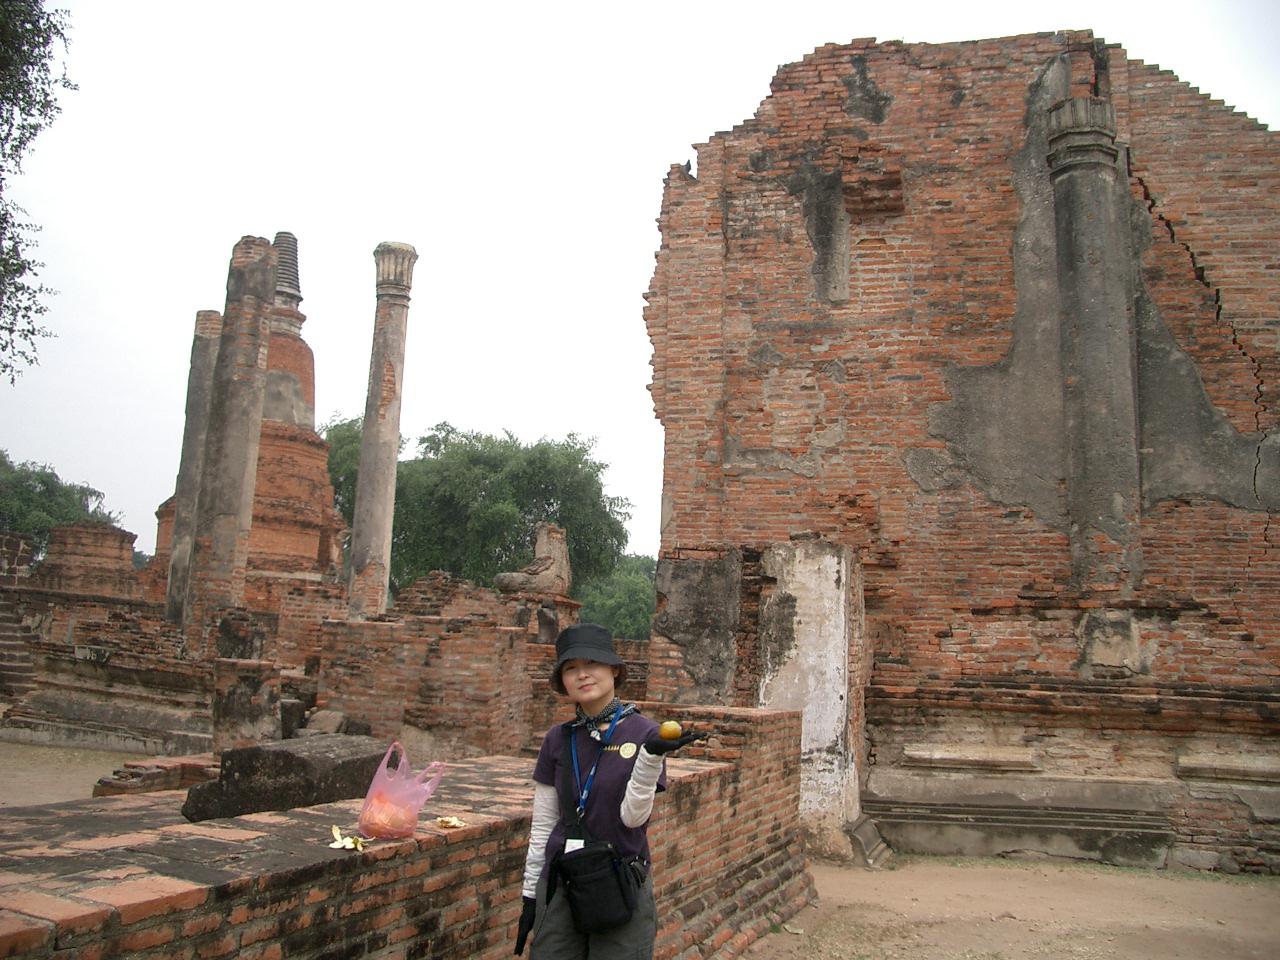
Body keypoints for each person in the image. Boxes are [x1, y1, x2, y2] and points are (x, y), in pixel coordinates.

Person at [515, 623, 705, 959]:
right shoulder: (558, 738)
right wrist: (530, 894)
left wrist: (650, 758)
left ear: (615, 670)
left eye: (592, 663)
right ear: (562, 680)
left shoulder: (646, 733)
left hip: (620, 877)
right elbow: (543, 824)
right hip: (562, 878)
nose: (582, 675)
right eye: (571, 668)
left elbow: (632, 819)